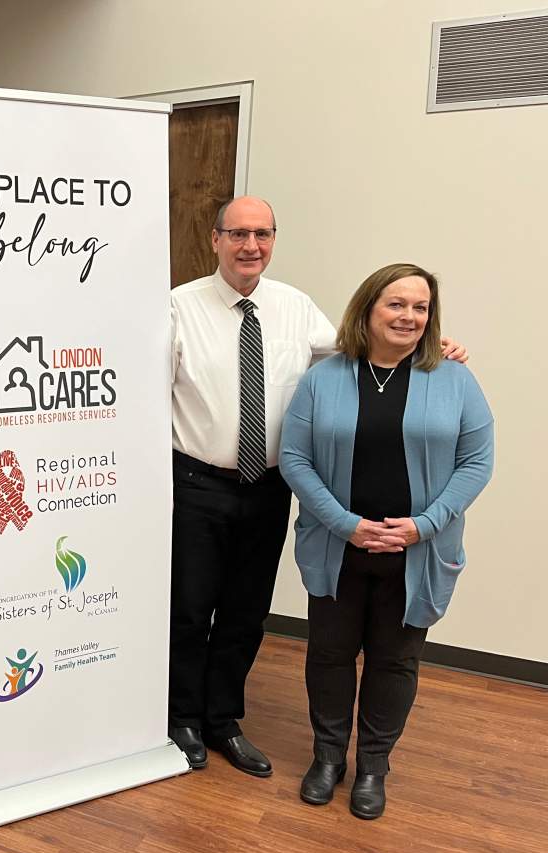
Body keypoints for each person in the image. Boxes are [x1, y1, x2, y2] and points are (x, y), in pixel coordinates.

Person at [167, 197, 468, 778]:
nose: (250, 246)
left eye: (262, 234)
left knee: (245, 611)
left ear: (273, 240)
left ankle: (224, 720)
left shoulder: (294, 306)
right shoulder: (178, 307)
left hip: (267, 485)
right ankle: (180, 719)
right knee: (188, 609)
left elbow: (366, 344)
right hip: (196, 484)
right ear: (215, 239)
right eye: (238, 234)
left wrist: (439, 346)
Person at [279, 263, 493, 819]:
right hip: (337, 545)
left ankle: (373, 766)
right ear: (369, 309)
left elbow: (477, 462)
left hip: (416, 552)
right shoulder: (324, 376)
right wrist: (344, 522)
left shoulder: (455, 378)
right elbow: (295, 459)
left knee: (394, 661)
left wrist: (424, 524)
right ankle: (328, 757)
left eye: (420, 308)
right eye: (396, 304)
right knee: (328, 655)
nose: (409, 316)